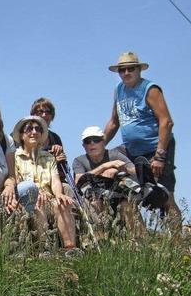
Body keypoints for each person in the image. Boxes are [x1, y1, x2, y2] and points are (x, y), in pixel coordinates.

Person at [103, 52, 180, 223]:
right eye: (122, 70)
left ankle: (178, 242)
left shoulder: (150, 89)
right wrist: (100, 145)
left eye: (131, 69)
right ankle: (138, 238)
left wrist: (160, 155)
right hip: (132, 151)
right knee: (125, 189)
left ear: (139, 70)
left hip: (155, 148)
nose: (126, 73)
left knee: (163, 194)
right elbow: (114, 122)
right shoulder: (119, 90)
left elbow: (166, 122)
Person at [12, 116, 79, 255]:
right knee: (38, 203)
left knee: (62, 203)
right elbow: (17, 181)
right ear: (21, 135)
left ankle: (70, 249)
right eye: (29, 129)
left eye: (38, 129)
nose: (34, 132)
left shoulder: (48, 157)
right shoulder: (14, 157)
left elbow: (55, 180)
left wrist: (59, 194)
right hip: (28, 200)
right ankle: (45, 249)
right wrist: (35, 192)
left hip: (49, 196)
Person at [72, 126, 145, 236]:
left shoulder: (114, 154)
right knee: (95, 203)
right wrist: (105, 166)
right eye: (88, 141)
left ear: (103, 142)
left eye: (96, 140)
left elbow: (133, 170)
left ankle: (141, 243)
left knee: (127, 205)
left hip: (117, 195)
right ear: (83, 146)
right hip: (93, 198)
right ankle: (102, 240)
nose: (92, 143)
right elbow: (79, 180)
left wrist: (118, 170)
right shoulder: (79, 160)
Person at [30, 98, 69, 181]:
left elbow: (63, 173)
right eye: (40, 112)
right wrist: (52, 161)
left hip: (53, 180)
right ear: (33, 115)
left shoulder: (55, 138)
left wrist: (60, 161)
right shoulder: (23, 135)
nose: (44, 115)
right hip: (31, 179)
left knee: (67, 189)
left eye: (48, 112)